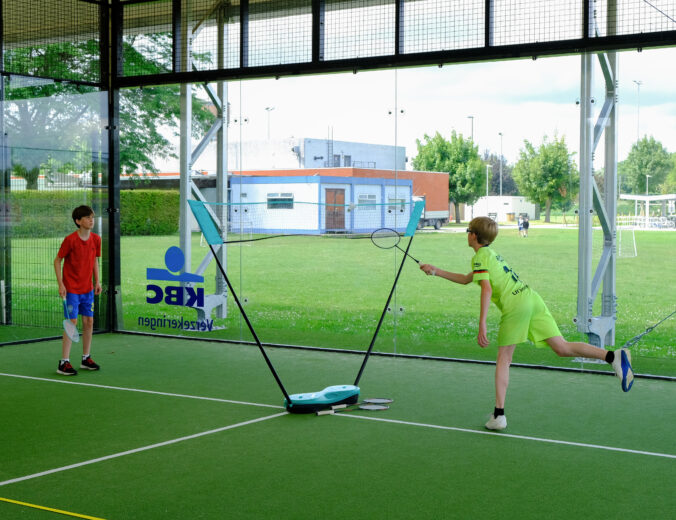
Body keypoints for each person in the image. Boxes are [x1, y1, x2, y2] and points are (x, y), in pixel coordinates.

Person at [419, 216, 633, 431]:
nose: (467, 234)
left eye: (468, 231)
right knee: (562, 347)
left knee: (504, 358)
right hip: (531, 298)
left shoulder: (480, 257)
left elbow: (486, 288)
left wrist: (482, 323)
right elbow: (468, 279)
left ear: (473, 235)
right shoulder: (489, 254)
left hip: (516, 306)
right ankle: (613, 356)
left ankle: (498, 415)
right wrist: (436, 271)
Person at [53, 205, 102, 375]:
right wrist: (61, 284)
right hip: (72, 290)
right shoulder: (70, 240)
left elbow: (95, 260)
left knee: (89, 322)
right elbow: (57, 261)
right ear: (78, 221)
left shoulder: (96, 239)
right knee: (71, 323)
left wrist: (97, 281)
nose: (91, 220)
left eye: (92, 217)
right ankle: (64, 362)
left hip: (88, 290)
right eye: (88, 218)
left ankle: (86, 358)